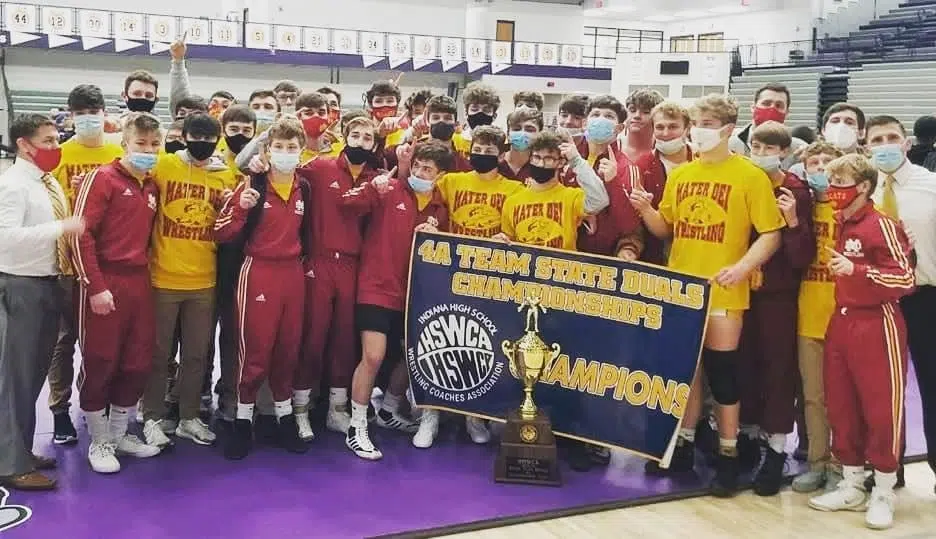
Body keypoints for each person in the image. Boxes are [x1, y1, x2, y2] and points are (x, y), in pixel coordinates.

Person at [630, 94, 784, 496]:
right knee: (687, 370)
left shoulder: (749, 176)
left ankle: (728, 453)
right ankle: (682, 442)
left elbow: (771, 233)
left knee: (722, 372)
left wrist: (743, 267)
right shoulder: (682, 174)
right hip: (682, 286)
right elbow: (666, 229)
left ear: (728, 129)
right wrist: (645, 210)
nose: (699, 130)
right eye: (697, 122)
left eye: (708, 123)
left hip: (724, 289)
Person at [807, 153, 915, 530]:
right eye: (831, 181)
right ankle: (852, 483)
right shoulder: (839, 221)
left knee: (881, 409)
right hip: (842, 320)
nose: (833, 188)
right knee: (841, 405)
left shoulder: (880, 224)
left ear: (864, 186)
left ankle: (883, 489)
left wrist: (858, 269)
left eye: (840, 182)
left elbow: (905, 279)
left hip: (877, 322)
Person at [339, 141, 452, 460]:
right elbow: (347, 206)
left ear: (440, 175)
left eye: (427, 169)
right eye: (417, 166)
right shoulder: (387, 190)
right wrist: (372, 187)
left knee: (411, 355)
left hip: (413, 294)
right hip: (376, 287)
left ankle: (388, 409)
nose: (419, 172)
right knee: (373, 356)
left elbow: (445, 254)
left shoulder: (440, 210)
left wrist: (435, 238)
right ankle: (357, 426)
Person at [415, 126, 524, 448]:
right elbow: (424, 200)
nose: (483, 155)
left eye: (490, 151)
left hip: (488, 277)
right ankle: (430, 413)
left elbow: (516, 229)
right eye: (478, 149)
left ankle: (473, 414)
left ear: (502, 154)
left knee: (481, 345)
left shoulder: (514, 189)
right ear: (469, 150)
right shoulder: (451, 181)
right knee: (439, 340)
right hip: (447, 272)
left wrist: (507, 238)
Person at [214, 117, 312, 460]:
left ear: (301, 151)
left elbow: (307, 232)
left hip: (293, 273)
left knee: (288, 349)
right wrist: (241, 210)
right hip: (258, 270)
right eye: (279, 147)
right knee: (254, 351)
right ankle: (242, 421)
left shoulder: (304, 187)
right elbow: (221, 232)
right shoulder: (252, 183)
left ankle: (284, 418)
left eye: (291, 147)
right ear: (267, 151)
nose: (285, 152)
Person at [71, 112, 164, 473]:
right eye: (141, 143)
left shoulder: (151, 186)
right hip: (105, 278)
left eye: (154, 144)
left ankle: (120, 433)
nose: (148, 150)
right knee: (101, 359)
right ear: (124, 143)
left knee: (137, 360)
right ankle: (99, 440)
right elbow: (80, 234)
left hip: (140, 280)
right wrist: (95, 286)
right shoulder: (102, 178)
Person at [140, 112, 236, 449]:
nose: (203, 144)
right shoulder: (164, 166)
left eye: (210, 139)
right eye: (197, 137)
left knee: (197, 355)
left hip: (204, 279)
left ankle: (189, 417)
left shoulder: (225, 175)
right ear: (184, 136)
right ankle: (151, 417)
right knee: (158, 355)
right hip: (163, 276)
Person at [0, 113, 85, 490]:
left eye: (56, 139)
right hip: (21, 285)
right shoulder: (12, 185)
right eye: (48, 141)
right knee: (15, 379)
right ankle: (11, 464)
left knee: (32, 376)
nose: (56, 147)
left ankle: (18, 449)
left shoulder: (44, 182)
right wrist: (60, 228)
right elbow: (5, 238)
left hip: (47, 283)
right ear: (24, 144)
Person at [290, 116, 382, 440]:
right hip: (320, 261)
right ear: (344, 136)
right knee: (312, 338)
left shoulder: (377, 177)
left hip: (354, 266)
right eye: (355, 135)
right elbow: (284, 175)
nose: (360, 141)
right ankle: (300, 410)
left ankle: (337, 409)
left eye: (367, 137)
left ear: (375, 144)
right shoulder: (320, 167)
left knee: (345, 341)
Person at [737, 121, 816, 496]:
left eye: (769, 148)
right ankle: (748, 435)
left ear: (784, 152)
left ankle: (777, 446)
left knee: (779, 369)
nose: (761, 154)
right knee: (744, 364)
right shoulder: (744, 181)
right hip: (742, 288)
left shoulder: (796, 191)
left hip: (779, 293)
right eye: (756, 146)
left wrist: (794, 223)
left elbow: (802, 256)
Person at [47, 84, 125, 446]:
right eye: (80, 113)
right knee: (64, 341)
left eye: (94, 111)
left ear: (104, 113)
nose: (88, 118)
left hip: (107, 262)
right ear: (70, 116)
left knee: (104, 341)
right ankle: (59, 409)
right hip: (66, 262)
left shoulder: (118, 151)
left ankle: (100, 402)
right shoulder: (59, 155)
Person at [864, 115, 936, 492]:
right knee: (884, 389)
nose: (885, 145)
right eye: (877, 139)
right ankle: (888, 468)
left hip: (926, 296)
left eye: (892, 137)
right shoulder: (862, 190)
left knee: (932, 385)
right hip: (880, 299)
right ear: (866, 146)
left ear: (906, 143)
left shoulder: (931, 185)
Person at [791, 141, 845, 494]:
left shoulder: (851, 208)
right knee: (812, 397)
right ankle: (817, 462)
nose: (821, 167)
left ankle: (843, 465)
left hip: (843, 317)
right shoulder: (802, 206)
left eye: (828, 161)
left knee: (843, 398)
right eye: (815, 162)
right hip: (808, 315)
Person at [498, 130, 610, 250]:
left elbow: (599, 201)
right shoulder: (512, 201)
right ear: (530, 158)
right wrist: (501, 241)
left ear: (561, 162)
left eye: (548, 159)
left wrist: (576, 161)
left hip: (561, 261)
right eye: (536, 157)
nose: (541, 164)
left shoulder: (571, 197)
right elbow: (510, 240)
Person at [568, 95, 641, 259]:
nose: (600, 119)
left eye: (608, 116)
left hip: (605, 259)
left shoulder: (627, 168)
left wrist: (613, 182)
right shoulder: (569, 158)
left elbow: (630, 226)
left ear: (619, 128)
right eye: (595, 114)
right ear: (585, 123)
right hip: (564, 254)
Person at [634, 101, 693, 265]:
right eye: (660, 127)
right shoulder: (642, 165)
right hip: (655, 253)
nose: (666, 133)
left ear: (687, 129)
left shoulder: (703, 160)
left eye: (673, 127)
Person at [729, 83, 806, 169]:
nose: (772, 109)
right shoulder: (729, 141)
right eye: (766, 103)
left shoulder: (798, 149)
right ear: (753, 107)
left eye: (778, 105)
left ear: (787, 112)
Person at [453, 82, 500, 156]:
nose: (480, 114)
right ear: (466, 113)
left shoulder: (500, 143)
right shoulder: (456, 141)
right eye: (474, 109)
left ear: (494, 116)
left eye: (486, 110)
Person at [619, 88, 664, 163]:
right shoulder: (612, 147)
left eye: (646, 112)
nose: (637, 115)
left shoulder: (665, 150)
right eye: (632, 110)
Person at [499, 108, 543, 181]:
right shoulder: (495, 162)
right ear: (508, 134)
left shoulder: (542, 166)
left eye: (529, 130)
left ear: (539, 135)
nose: (522, 134)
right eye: (516, 129)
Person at [367, 80, 406, 148]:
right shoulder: (361, 130)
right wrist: (378, 135)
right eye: (378, 101)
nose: (384, 105)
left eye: (390, 101)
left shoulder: (404, 130)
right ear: (371, 105)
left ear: (397, 104)